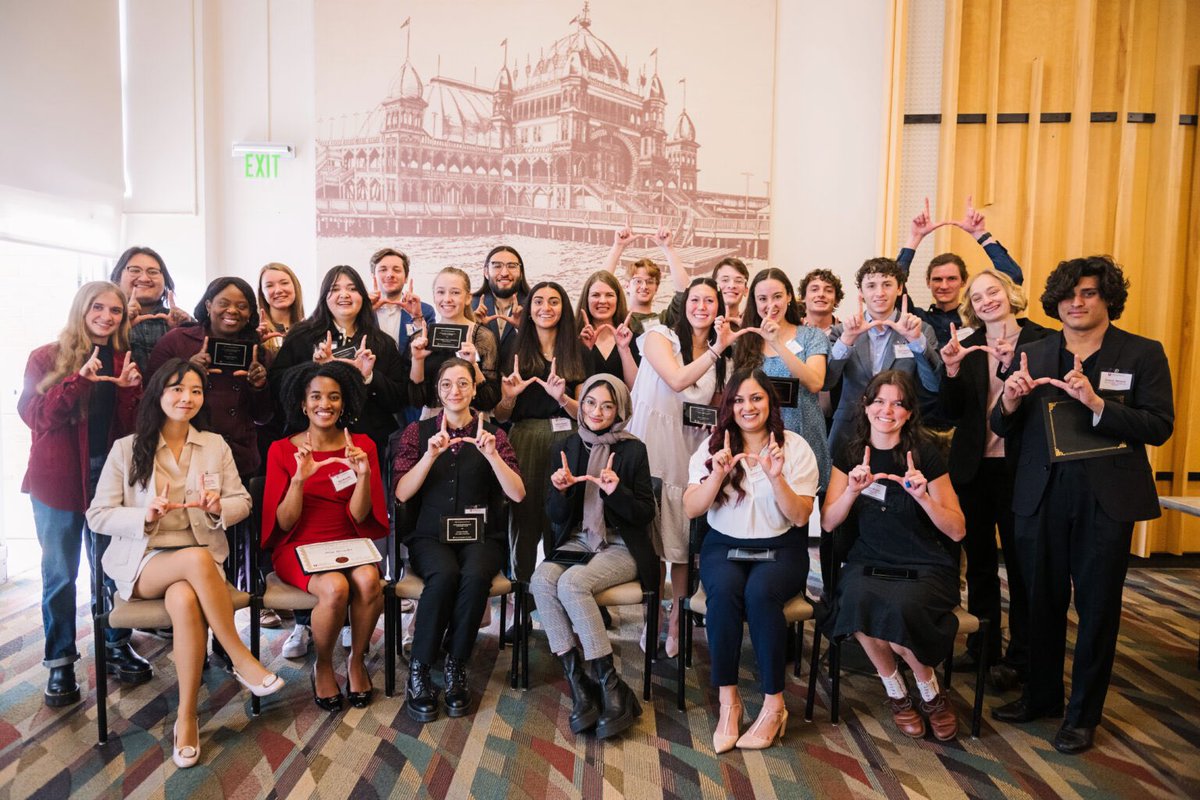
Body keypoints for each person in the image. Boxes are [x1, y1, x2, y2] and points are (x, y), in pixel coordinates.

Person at [989, 256, 1173, 754]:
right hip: (1041, 493)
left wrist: (1098, 406)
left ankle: (1083, 714)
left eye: (1089, 293)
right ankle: (1042, 696)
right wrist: (1008, 399)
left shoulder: (1141, 353)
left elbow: (1159, 426)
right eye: (1069, 294)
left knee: (1096, 608)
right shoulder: (1036, 350)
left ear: (1108, 298)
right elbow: (1003, 425)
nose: (1077, 302)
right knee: (1039, 601)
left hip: (1104, 498)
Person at [86, 359, 281, 768]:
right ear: (158, 394)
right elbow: (97, 515)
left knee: (186, 599)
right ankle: (240, 657)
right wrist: (144, 516)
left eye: (194, 390)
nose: (186, 398)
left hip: (200, 563)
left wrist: (216, 509)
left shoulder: (213, 445)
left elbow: (242, 502)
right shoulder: (127, 447)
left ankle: (186, 716)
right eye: (176, 389)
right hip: (143, 561)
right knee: (192, 561)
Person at [19, 281, 150, 706]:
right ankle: (60, 663)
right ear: (82, 309)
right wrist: (78, 381)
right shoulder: (46, 357)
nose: (107, 317)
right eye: (99, 308)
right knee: (60, 575)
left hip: (107, 484)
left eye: (115, 311)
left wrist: (131, 389)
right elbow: (34, 416)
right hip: (56, 485)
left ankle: (115, 643)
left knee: (112, 568)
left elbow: (131, 431)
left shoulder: (122, 358)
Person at [821, 370, 966, 741]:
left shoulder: (925, 455)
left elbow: (957, 529)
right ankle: (896, 692)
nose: (888, 410)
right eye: (880, 401)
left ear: (909, 412)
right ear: (866, 406)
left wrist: (924, 498)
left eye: (898, 404)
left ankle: (929, 692)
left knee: (900, 611)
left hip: (924, 563)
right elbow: (828, 522)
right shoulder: (850, 453)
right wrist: (852, 491)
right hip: (869, 559)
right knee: (854, 600)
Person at [683, 369, 819, 752]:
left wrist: (776, 478)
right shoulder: (713, 447)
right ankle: (730, 702)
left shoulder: (793, 447)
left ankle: (774, 705)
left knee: (760, 595)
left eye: (756, 398)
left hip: (780, 548)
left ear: (770, 402)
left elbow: (799, 517)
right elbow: (692, 508)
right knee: (723, 594)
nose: (748, 407)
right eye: (739, 400)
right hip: (724, 545)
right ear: (729, 405)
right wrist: (717, 475)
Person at [392, 358, 525, 722]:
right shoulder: (416, 434)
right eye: (447, 384)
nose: (455, 391)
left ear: (473, 389)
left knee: (476, 575)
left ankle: (455, 664)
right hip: (430, 535)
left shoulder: (494, 434)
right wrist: (429, 456)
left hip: (480, 535)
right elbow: (402, 493)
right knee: (444, 575)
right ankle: (419, 670)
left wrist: (493, 456)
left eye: (463, 383)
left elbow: (516, 494)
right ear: (438, 389)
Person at [938, 269, 1049, 688]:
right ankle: (983, 649)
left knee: (1022, 566)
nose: (986, 300)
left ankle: (1021, 656)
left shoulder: (1041, 339)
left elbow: (1042, 404)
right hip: (973, 466)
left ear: (1010, 293)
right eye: (978, 296)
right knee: (980, 563)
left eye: (993, 291)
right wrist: (949, 370)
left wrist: (1009, 372)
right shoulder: (965, 344)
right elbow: (950, 411)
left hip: (1021, 466)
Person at [531, 374, 657, 739]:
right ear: (580, 406)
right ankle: (580, 684)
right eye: (589, 403)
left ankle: (610, 683)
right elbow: (556, 517)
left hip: (621, 545)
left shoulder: (633, 449)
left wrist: (616, 493)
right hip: (578, 542)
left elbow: (644, 515)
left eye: (606, 405)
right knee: (541, 580)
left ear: (619, 409)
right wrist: (560, 491)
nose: (596, 412)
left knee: (571, 584)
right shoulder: (568, 444)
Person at [262, 362, 389, 711]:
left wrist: (362, 475)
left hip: (347, 541)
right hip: (299, 546)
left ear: (344, 403)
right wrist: (299, 479)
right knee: (335, 588)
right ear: (303, 403)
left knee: (368, 580)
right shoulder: (281, 450)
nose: (325, 404)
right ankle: (322, 664)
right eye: (316, 396)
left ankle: (356, 660)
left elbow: (361, 516)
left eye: (334, 397)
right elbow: (283, 524)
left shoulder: (362, 445)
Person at [627, 277, 735, 657]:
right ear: (683, 303)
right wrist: (717, 350)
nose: (701, 306)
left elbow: (719, 405)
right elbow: (675, 380)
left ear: (719, 307)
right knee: (652, 542)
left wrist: (713, 420)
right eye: (695, 299)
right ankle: (652, 616)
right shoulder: (659, 336)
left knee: (683, 545)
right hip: (651, 446)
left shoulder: (724, 356)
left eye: (710, 300)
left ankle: (677, 619)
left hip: (689, 453)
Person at [493, 282, 589, 592]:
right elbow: (502, 415)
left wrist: (562, 398)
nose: (546, 307)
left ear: (564, 309)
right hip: (524, 437)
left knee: (563, 520)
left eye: (554, 301)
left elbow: (585, 414)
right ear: (528, 308)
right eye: (538, 301)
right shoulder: (513, 348)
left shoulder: (577, 350)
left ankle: (561, 596)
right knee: (523, 520)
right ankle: (521, 597)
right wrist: (508, 397)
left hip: (568, 438)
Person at [269, 265, 410, 461]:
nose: (344, 295)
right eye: (335, 289)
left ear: (362, 296)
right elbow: (276, 383)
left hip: (368, 444)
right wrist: (313, 369)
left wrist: (368, 377)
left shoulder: (382, 343)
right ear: (324, 297)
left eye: (352, 289)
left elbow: (398, 399)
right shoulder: (302, 335)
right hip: (311, 443)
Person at [148, 277, 272, 480]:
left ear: (250, 313)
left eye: (242, 306)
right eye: (223, 303)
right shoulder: (177, 341)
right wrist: (186, 372)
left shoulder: (259, 353)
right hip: (183, 455)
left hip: (239, 459)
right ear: (208, 305)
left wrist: (259, 386)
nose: (232, 310)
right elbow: (150, 397)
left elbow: (263, 416)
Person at [824, 257, 941, 457]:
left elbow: (933, 384)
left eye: (887, 284)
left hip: (899, 429)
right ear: (861, 292)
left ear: (899, 288)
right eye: (871, 285)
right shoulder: (842, 331)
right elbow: (827, 382)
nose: (879, 293)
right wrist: (847, 340)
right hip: (848, 429)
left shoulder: (920, 329)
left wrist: (915, 340)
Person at [733, 268, 831, 492]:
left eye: (777, 296)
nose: (771, 304)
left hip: (804, 432)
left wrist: (777, 342)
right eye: (762, 299)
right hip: (759, 440)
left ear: (789, 296)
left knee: (803, 505)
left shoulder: (811, 336)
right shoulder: (746, 341)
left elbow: (816, 382)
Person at [899, 196, 1024, 347]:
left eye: (951, 279)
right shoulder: (918, 318)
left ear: (963, 281)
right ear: (928, 282)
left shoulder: (977, 315)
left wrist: (981, 234)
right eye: (937, 279)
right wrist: (915, 237)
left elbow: (1013, 276)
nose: (944, 286)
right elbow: (893, 285)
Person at [408, 267, 500, 413]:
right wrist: (417, 361)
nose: (447, 299)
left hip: (473, 421)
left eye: (455, 292)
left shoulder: (483, 337)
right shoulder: (420, 338)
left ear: (468, 298)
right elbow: (416, 401)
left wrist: (472, 365)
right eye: (441, 292)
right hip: (431, 422)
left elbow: (489, 401)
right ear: (434, 296)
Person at [109, 246, 192, 372]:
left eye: (153, 272)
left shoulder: (182, 322)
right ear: (117, 278)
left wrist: (185, 331)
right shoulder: (103, 319)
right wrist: (121, 324)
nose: (144, 278)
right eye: (135, 270)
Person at [603, 224, 687, 335]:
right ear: (627, 286)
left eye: (650, 281)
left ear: (656, 287)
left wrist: (668, 248)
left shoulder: (662, 321)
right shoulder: (616, 317)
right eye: (638, 281)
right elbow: (599, 285)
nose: (644, 286)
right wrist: (618, 246)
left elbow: (684, 294)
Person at [576, 270, 639, 387]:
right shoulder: (573, 340)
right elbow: (575, 388)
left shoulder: (634, 340)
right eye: (595, 295)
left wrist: (624, 350)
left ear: (618, 299)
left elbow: (636, 389)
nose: (603, 301)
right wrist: (584, 351)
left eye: (609, 295)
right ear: (586, 299)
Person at [368, 247, 434, 358]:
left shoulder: (425, 311)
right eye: (383, 270)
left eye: (396, 270)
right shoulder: (362, 309)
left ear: (406, 277)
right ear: (373, 276)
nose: (390, 275)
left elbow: (428, 352)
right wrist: (366, 311)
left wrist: (417, 317)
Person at [472, 245, 530, 363]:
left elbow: (545, 350)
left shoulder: (535, 307)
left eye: (512, 266)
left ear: (521, 273)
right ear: (486, 272)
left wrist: (522, 328)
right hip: (480, 378)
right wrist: (474, 327)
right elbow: (459, 356)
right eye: (497, 266)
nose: (504, 273)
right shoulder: (470, 305)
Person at [663, 251, 750, 329]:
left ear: (746, 290)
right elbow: (682, 296)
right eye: (725, 280)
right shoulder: (697, 317)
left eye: (738, 281)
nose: (731, 286)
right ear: (714, 287)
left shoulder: (749, 327)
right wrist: (669, 249)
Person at [256, 262, 306, 355]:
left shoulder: (310, 327)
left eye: (284, 283)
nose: (278, 290)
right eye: (269, 286)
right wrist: (256, 341)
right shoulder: (255, 330)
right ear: (262, 293)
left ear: (295, 286)